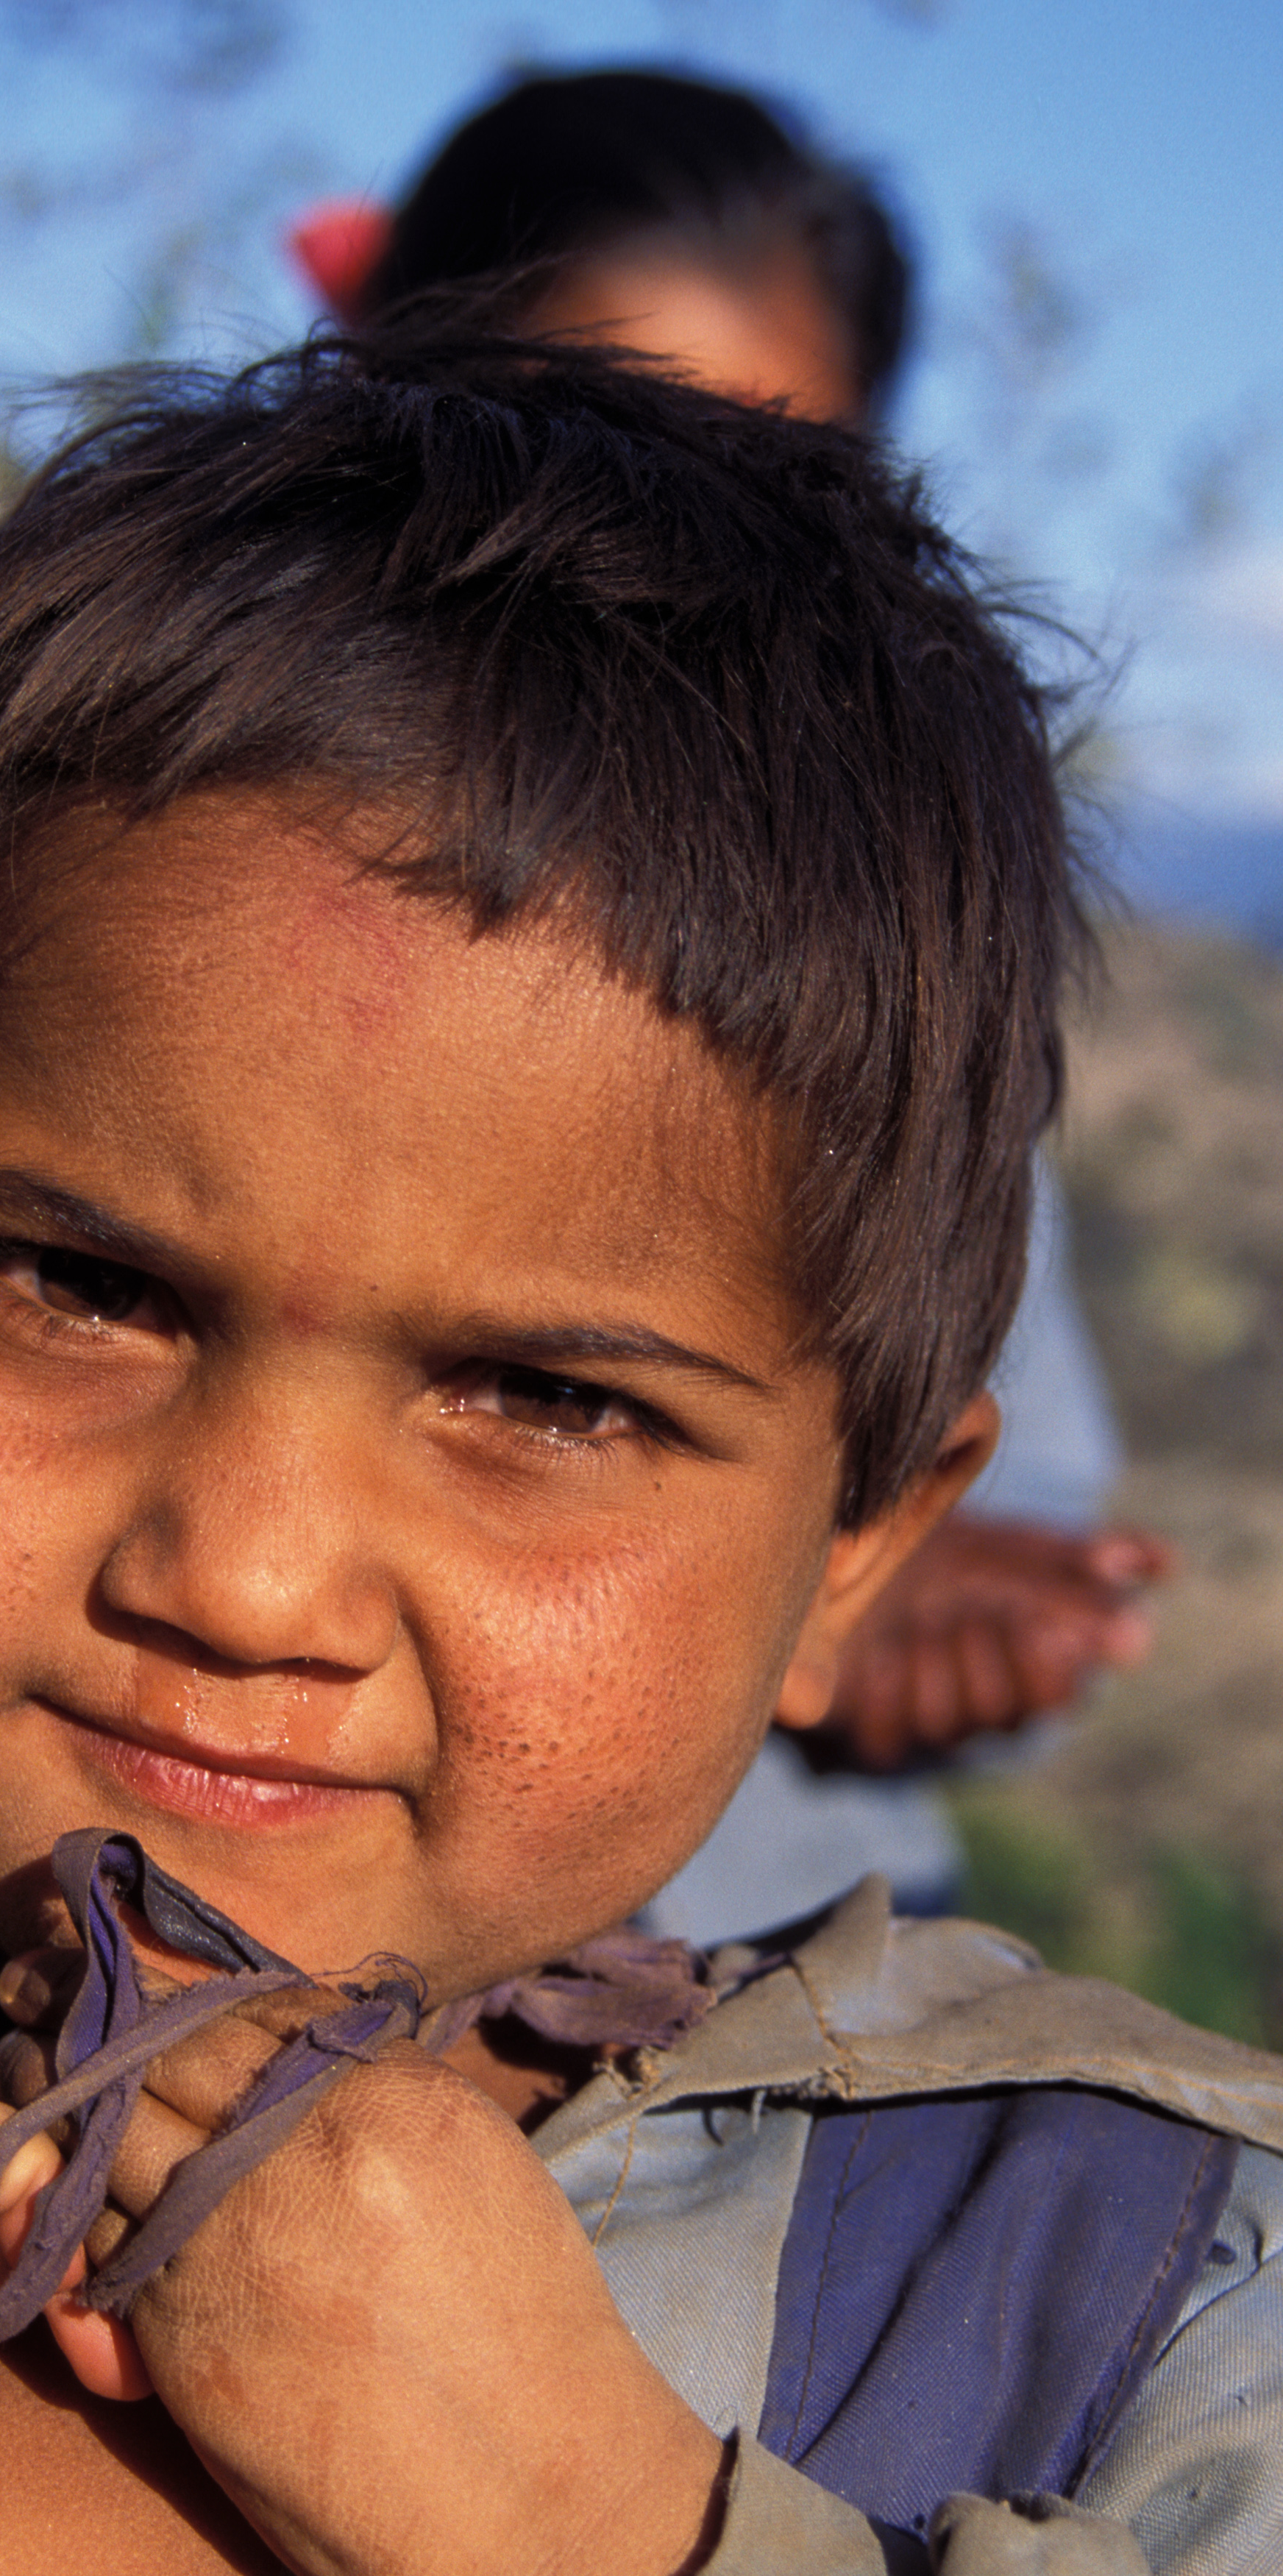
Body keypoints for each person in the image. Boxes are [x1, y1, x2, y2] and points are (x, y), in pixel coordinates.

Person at [0, 340, 1279, 2576]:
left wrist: (588, 2575)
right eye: (78, 1285)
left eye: (550, 1399)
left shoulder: (1140, 2300)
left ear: (858, 1548)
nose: (246, 1574)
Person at [291, 68, 1172, 1938]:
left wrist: (886, 1617)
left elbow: (1002, 1500)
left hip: (763, 2000)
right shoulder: (193, 864)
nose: (669, 551)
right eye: (584, 432)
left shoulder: (866, 987)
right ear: (371, 396)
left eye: (772, 474)